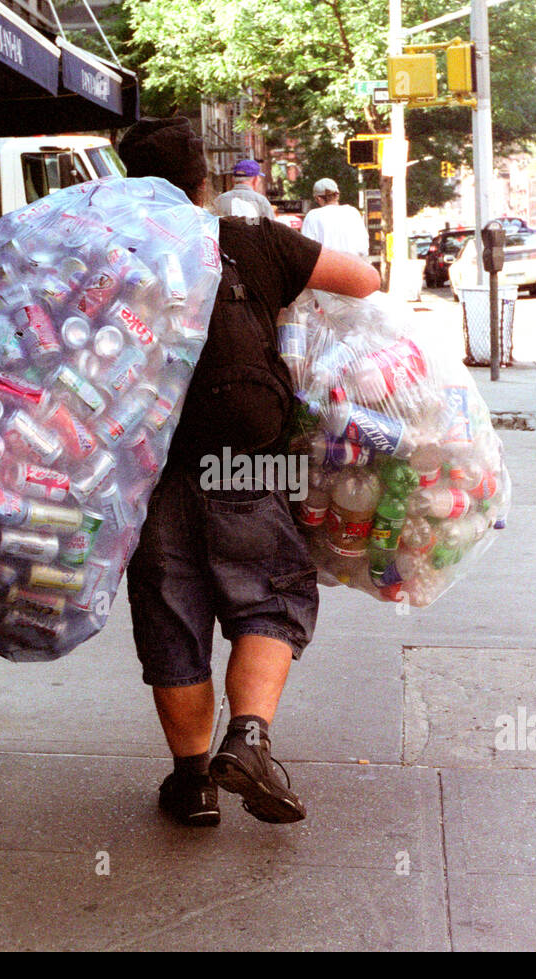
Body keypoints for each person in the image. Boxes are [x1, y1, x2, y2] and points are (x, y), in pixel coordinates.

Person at [115, 116, 379, 827]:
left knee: (173, 613)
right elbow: (364, 278)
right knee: (268, 597)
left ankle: (193, 783)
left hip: (151, 464)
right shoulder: (246, 238)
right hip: (245, 459)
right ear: (205, 177)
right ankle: (249, 736)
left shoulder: (115, 248)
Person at [300, 177, 370, 258]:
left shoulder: (312, 216)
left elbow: (308, 250)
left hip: (327, 267)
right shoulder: (353, 212)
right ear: (337, 195)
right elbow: (363, 248)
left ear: (318, 198)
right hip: (354, 266)